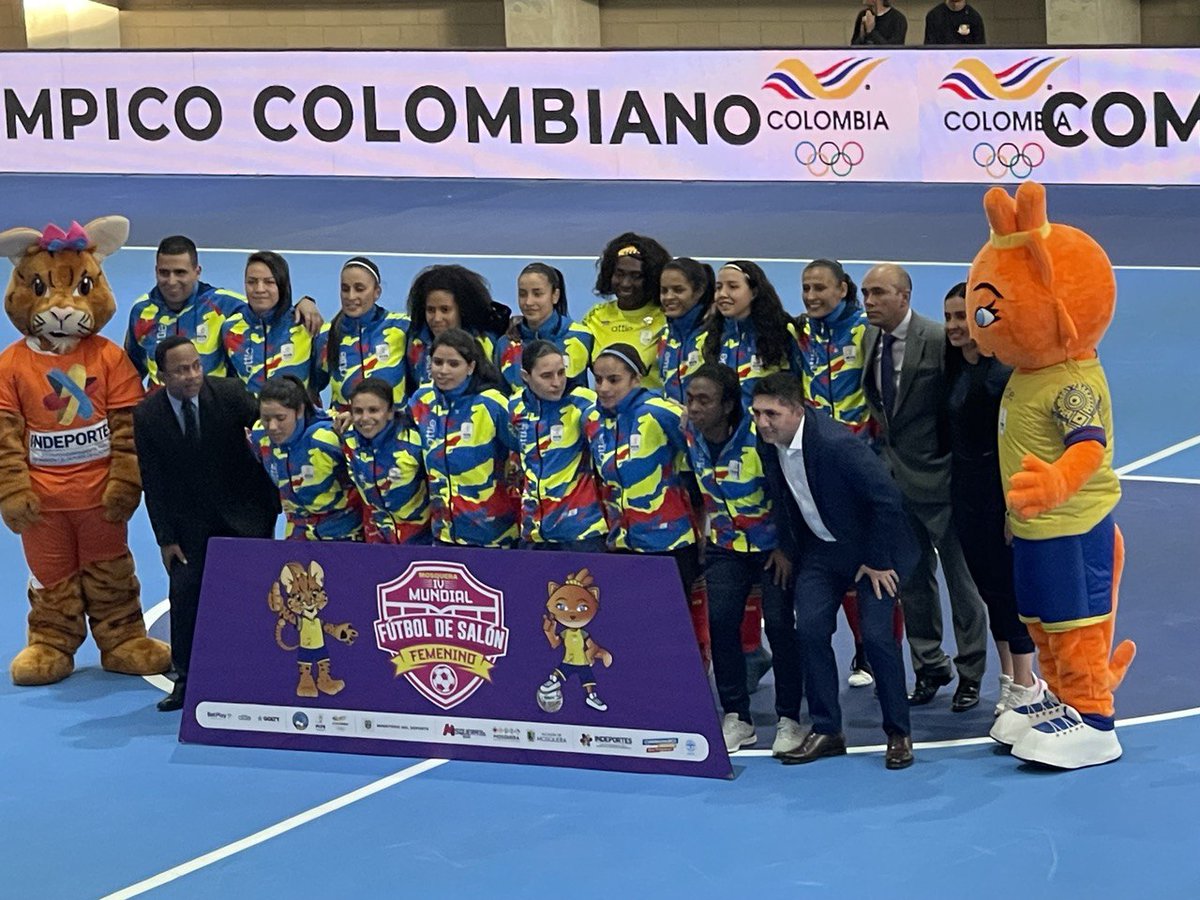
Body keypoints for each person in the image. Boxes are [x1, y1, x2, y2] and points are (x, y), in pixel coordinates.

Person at [752, 373, 918, 769]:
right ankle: (828, 730)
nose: (761, 423)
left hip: (873, 553)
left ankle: (898, 733)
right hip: (821, 551)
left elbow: (887, 500)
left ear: (796, 409)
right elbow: (786, 499)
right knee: (808, 628)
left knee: (878, 638)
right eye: (757, 413)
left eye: (771, 414)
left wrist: (877, 559)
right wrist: (788, 550)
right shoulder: (768, 442)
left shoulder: (837, 445)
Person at [861, 263, 988, 711]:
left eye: (878, 293)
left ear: (904, 296)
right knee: (913, 581)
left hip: (945, 483)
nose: (869, 301)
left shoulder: (938, 339)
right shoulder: (869, 339)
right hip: (895, 485)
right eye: (865, 293)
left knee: (963, 583)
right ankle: (930, 665)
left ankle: (971, 672)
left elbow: (961, 406)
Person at [133, 336, 280, 711]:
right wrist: (165, 538)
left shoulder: (230, 393)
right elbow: (154, 480)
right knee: (184, 596)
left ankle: (265, 672)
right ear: (162, 374)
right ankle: (186, 679)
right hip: (189, 527)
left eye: (196, 365)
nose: (192, 375)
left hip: (246, 514)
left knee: (260, 596)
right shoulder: (147, 416)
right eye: (181, 370)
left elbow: (272, 430)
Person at [683, 363, 804, 757]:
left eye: (705, 400)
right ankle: (737, 716)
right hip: (724, 546)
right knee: (721, 624)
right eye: (691, 399)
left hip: (772, 548)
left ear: (729, 405)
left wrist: (786, 547)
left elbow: (787, 493)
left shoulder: (759, 437)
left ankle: (789, 718)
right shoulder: (689, 434)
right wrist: (703, 530)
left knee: (781, 626)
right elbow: (694, 488)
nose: (695, 408)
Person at [796, 258, 904, 690]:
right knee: (828, 557)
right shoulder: (798, 334)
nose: (811, 296)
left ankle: (874, 652)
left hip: (866, 463)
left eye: (820, 287)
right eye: (805, 288)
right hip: (817, 466)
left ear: (843, 289)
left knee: (872, 561)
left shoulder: (866, 332)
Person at [943, 283, 1037, 715]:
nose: (954, 326)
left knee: (1006, 593)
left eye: (962, 316)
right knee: (987, 590)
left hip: (996, 499)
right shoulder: (955, 369)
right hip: (966, 497)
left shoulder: (1000, 377)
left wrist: (1012, 507)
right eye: (949, 318)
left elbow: (1016, 446)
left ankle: (1026, 682)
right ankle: (1008, 679)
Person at [125, 235, 321, 387]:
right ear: (156, 270)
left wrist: (305, 302)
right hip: (163, 412)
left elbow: (265, 309)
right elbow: (132, 369)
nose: (171, 281)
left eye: (180, 272)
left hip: (213, 414)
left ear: (197, 271)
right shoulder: (141, 312)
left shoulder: (223, 305)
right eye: (164, 272)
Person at [588, 343, 700, 595]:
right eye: (598, 379)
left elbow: (702, 457)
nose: (603, 388)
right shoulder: (591, 419)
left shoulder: (661, 412)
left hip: (669, 542)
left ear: (636, 379)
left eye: (614, 380)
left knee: (670, 627)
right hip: (620, 542)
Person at [408, 328, 518, 548]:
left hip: (493, 537)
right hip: (443, 535)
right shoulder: (422, 400)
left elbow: (526, 449)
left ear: (471, 367)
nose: (443, 370)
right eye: (437, 362)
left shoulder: (492, 404)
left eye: (453, 364)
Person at [507, 340, 607, 551]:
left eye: (561, 373)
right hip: (533, 531)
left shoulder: (584, 402)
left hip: (581, 532)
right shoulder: (515, 406)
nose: (557, 382)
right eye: (546, 376)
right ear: (526, 377)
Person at [251, 374, 363, 541]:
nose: (272, 427)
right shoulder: (260, 435)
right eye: (266, 418)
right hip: (297, 532)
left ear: (299, 411)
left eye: (281, 418)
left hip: (343, 532)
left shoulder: (328, 437)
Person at [220, 251, 329, 396]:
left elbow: (319, 381)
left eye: (269, 282)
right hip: (250, 418)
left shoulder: (306, 327)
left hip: (299, 417)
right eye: (252, 282)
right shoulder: (230, 329)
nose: (259, 289)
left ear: (282, 284)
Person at [341, 377, 431, 545]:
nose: (365, 418)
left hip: (421, 543)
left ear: (390, 411)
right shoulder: (348, 441)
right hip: (376, 545)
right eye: (358, 411)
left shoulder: (415, 442)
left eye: (374, 410)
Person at [702, 260, 799, 410]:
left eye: (733, 287)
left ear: (754, 292)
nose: (722, 294)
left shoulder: (783, 332)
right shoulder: (712, 336)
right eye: (718, 287)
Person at [320, 256, 411, 411]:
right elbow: (311, 387)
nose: (351, 296)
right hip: (345, 430)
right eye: (345, 288)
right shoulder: (325, 336)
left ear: (377, 292)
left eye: (359, 289)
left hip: (393, 428)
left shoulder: (402, 327)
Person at [583, 232, 671, 391]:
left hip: (651, 412)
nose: (625, 283)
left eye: (636, 276)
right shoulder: (595, 317)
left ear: (652, 278)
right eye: (619, 273)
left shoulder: (666, 318)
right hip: (605, 410)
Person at [405, 264, 511, 392]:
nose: (437, 318)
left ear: (462, 310)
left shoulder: (485, 343)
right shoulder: (414, 342)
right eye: (431, 310)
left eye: (445, 310)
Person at [494, 263, 593, 394]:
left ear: (555, 296)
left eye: (537, 294)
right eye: (523, 294)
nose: (528, 302)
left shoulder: (581, 336)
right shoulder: (505, 344)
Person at [657, 257, 714, 406]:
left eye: (678, 290)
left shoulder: (715, 333)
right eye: (664, 291)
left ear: (699, 291)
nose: (668, 297)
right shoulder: (665, 334)